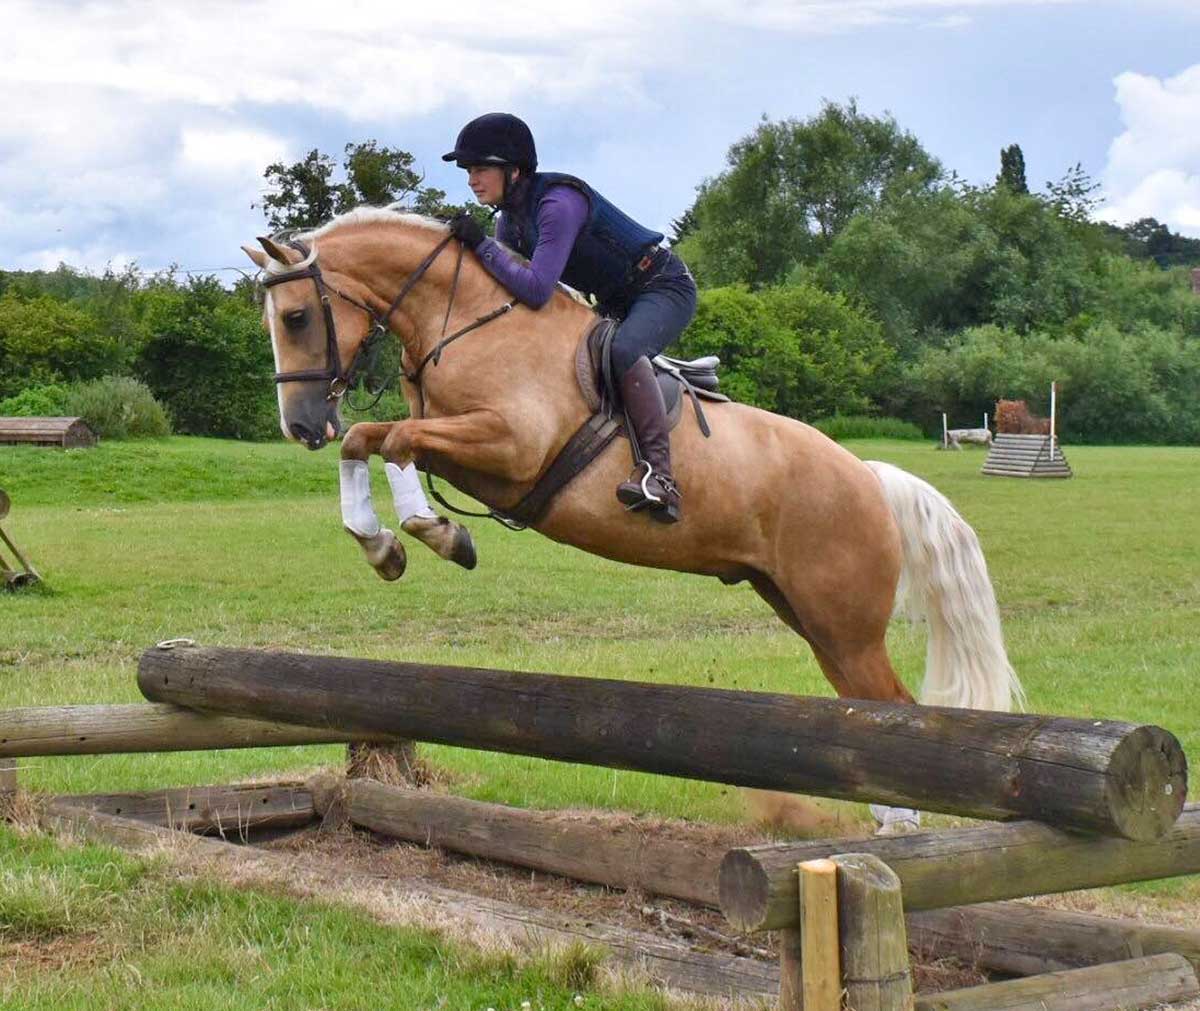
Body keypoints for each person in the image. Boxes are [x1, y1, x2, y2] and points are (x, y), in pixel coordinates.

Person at [442, 113, 696, 524]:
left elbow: (537, 288)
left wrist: (482, 246)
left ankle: (660, 477)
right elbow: (512, 295)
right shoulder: (511, 221)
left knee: (625, 350)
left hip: (661, 286)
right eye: (469, 170)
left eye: (481, 168)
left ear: (514, 169)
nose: (472, 179)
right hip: (614, 300)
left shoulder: (558, 203)